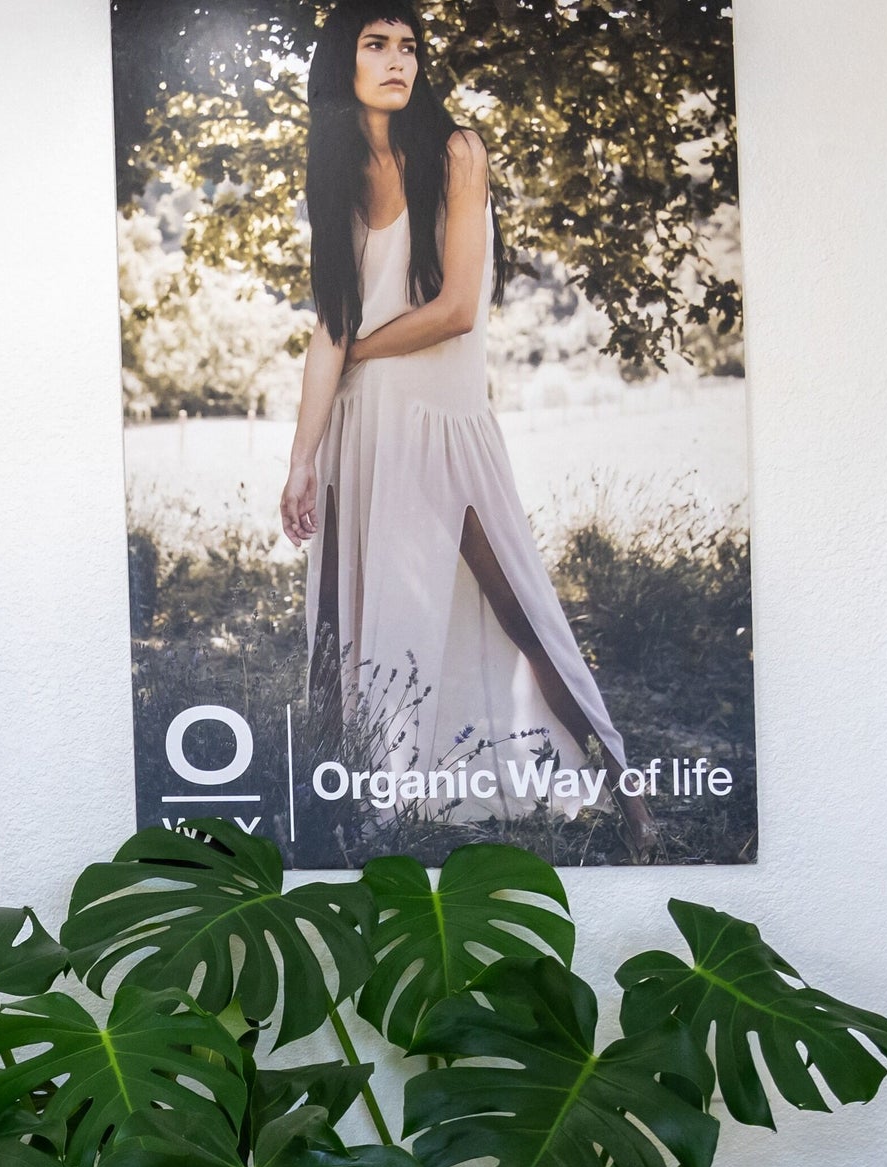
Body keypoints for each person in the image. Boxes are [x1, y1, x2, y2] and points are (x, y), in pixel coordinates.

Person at [276, 4, 631, 823]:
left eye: (408, 46)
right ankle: (388, 794)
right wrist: (302, 457)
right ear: (345, 62)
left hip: (442, 417)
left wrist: (358, 348)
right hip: (362, 426)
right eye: (377, 45)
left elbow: (458, 308)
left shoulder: (457, 152)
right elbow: (329, 323)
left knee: (514, 601)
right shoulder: (333, 183)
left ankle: (621, 792)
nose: (397, 60)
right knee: (369, 611)